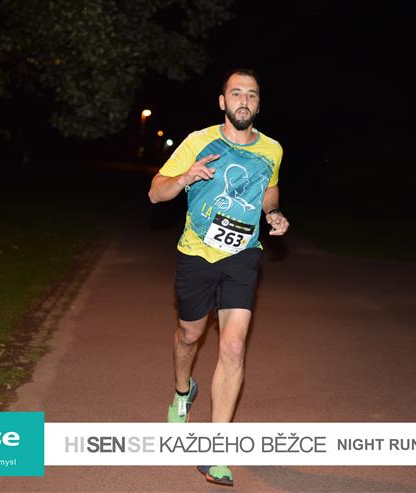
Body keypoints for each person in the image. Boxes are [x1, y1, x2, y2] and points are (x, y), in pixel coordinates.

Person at [148, 68, 289, 486]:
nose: (244, 100)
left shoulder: (273, 149)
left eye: (252, 94)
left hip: (243, 255)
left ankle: (217, 450)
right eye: (236, 93)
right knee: (189, 335)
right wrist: (185, 177)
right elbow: (155, 192)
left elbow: (270, 187)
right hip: (197, 253)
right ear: (223, 102)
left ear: (258, 104)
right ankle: (182, 391)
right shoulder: (198, 141)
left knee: (233, 346)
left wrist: (272, 212)